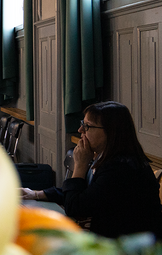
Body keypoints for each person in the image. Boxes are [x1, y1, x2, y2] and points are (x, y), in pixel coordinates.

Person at [20, 101, 162, 239]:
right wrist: (35, 194)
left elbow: (75, 208)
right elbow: (87, 194)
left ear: (110, 132)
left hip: (127, 250)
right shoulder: (111, 158)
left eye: (87, 126)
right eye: (83, 123)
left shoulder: (120, 169)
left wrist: (80, 166)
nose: (80, 130)